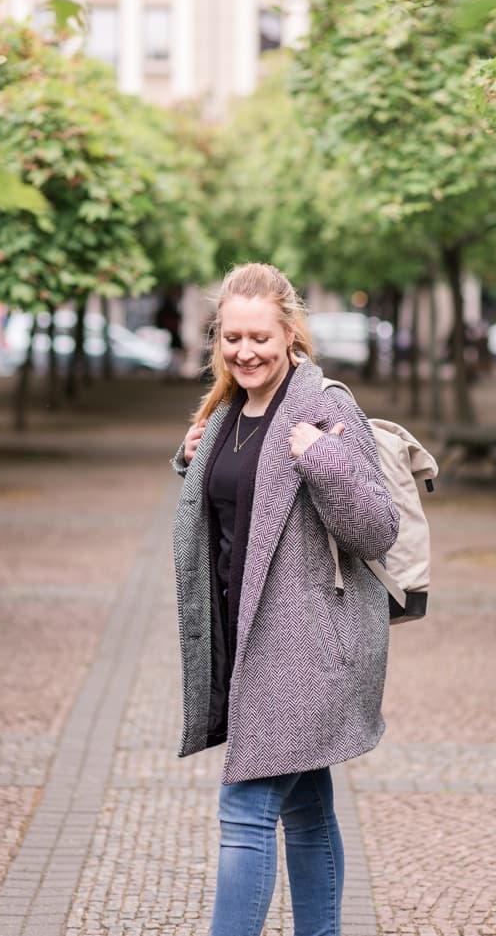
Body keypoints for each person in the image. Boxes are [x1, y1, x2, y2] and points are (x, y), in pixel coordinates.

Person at [171, 262, 400, 934]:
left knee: (244, 810)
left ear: (291, 333)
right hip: (251, 640)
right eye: (232, 337)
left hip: (306, 650)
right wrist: (192, 459)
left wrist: (323, 459)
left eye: (260, 337)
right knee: (304, 808)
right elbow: (235, 505)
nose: (245, 351)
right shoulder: (227, 413)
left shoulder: (324, 407)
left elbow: (378, 528)